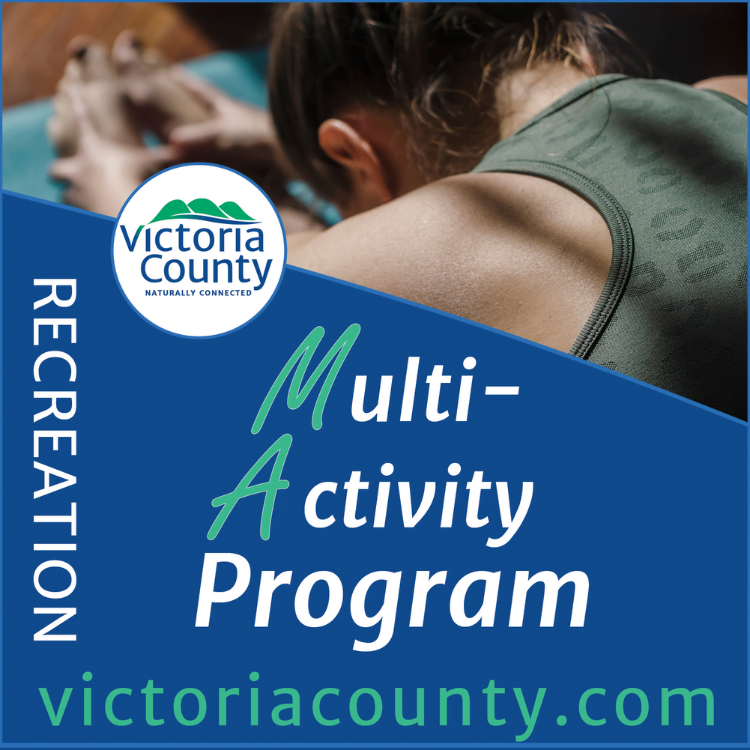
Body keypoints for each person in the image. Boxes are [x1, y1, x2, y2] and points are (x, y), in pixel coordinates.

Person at [48, 3, 747, 419]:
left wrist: (114, 175)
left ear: (359, 156)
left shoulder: (452, 239)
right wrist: (301, 155)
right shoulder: (728, 95)